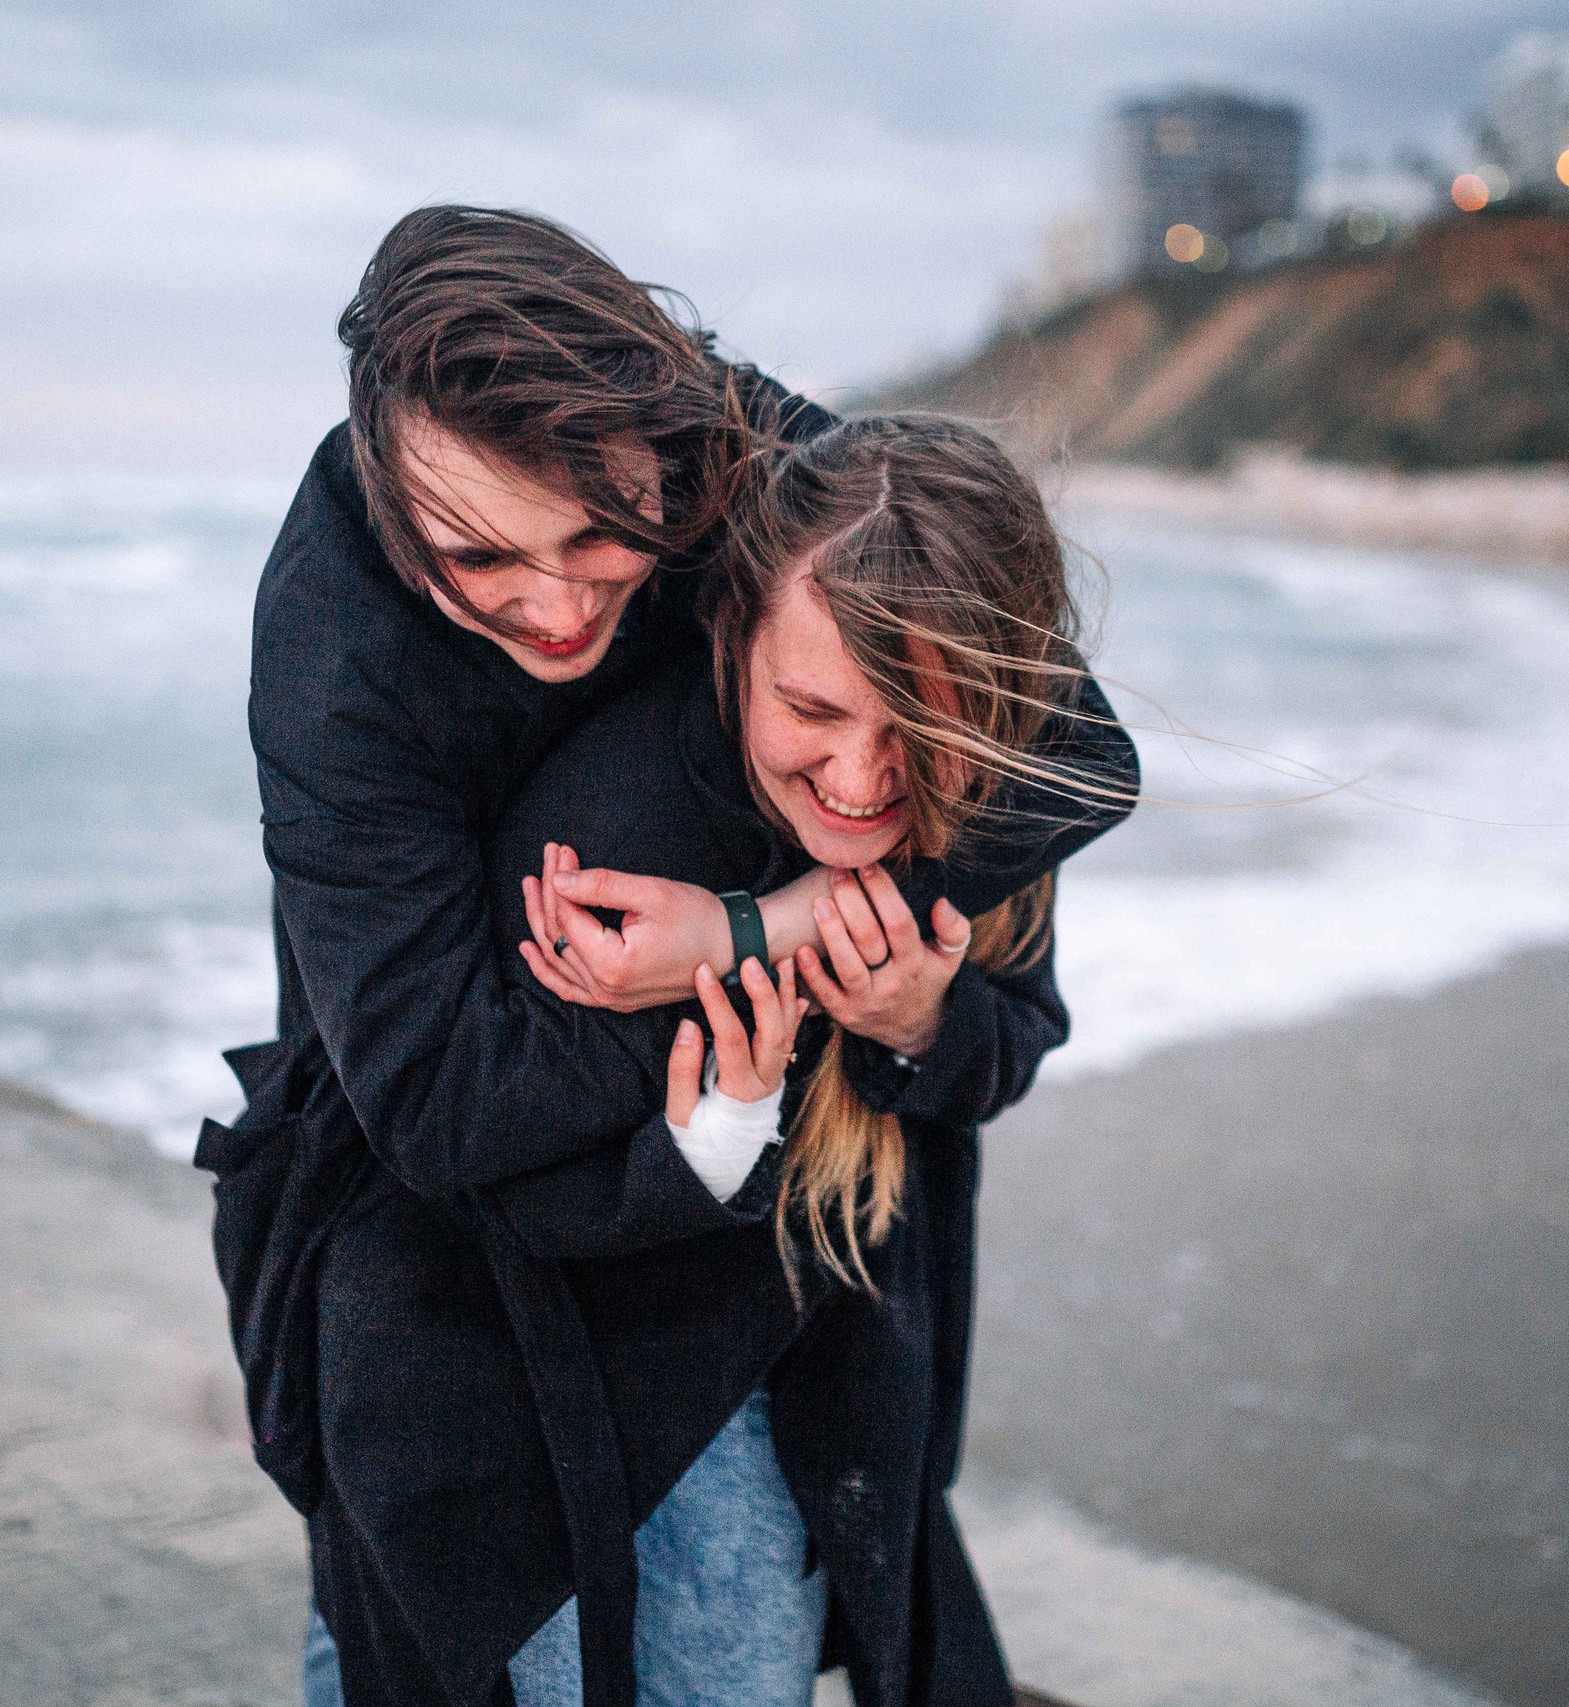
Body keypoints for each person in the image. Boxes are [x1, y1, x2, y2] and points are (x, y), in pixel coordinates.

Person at [195, 207, 1137, 1706]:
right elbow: (436, 1100)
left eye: (599, 535)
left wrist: (769, 939)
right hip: (448, 1240)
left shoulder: (753, 462)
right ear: (390, 496)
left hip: (790, 1215)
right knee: (428, 1627)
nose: (561, 605)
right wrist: (752, 986)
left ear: (683, 455)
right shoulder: (338, 663)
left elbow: (1069, 752)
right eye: (480, 557)